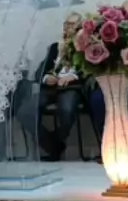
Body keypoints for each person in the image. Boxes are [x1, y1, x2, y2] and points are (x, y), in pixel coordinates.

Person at [16, 13, 84, 161]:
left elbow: (89, 73)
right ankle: (53, 145)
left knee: (66, 109)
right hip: (50, 88)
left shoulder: (86, 46)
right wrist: (47, 78)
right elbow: (40, 71)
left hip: (71, 88)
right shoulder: (55, 46)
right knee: (24, 112)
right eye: (66, 24)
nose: (68, 27)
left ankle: (56, 143)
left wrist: (73, 77)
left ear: (80, 27)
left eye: (72, 24)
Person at [89, 0, 128, 145]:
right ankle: (107, 141)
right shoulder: (113, 32)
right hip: (113, 81)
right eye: (126, 9)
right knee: (98, 99)